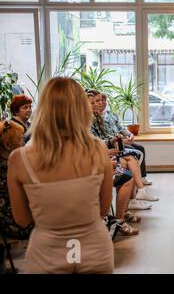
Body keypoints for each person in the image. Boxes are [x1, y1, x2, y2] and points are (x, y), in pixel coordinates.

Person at [7, 77, 114, 273]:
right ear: (82, 109)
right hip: (95, 249)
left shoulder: (19, 159)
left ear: (43, 109)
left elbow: (22, 219)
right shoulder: (98, 149)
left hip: (46, 254)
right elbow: (103, 208)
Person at [0, 120, 33, 272]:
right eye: (20, 139)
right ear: (7, 145)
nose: (23, 143)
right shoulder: (9, 168)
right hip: (11, 223)